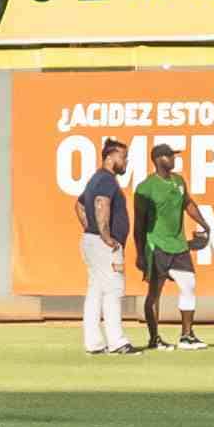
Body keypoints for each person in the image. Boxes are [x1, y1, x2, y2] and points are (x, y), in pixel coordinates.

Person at [132, 140, 208, 350]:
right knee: (154, 294)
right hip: (156, 246)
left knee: (189, 284)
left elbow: (188, 204)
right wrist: (140, 254)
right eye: (170, 156)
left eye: (174, 155)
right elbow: (138, 224)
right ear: (158, 159)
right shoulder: (146, 188)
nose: (174, 159)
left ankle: (186, 336)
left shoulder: (179, 181)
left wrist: (204, 223)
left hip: (179, 245)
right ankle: (154, 339)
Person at [74, 144, 138, 356]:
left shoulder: (96, 178)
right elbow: (101, 203)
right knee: (114, 290)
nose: (126, 161)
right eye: (124, 156)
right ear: (110, 157)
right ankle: (117, 342)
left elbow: (80, 205)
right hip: (103, 245)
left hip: (92, 241)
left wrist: (90, 228)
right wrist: (105, 235)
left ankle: (93, 343)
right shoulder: (106, 179)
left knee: (96, 291)